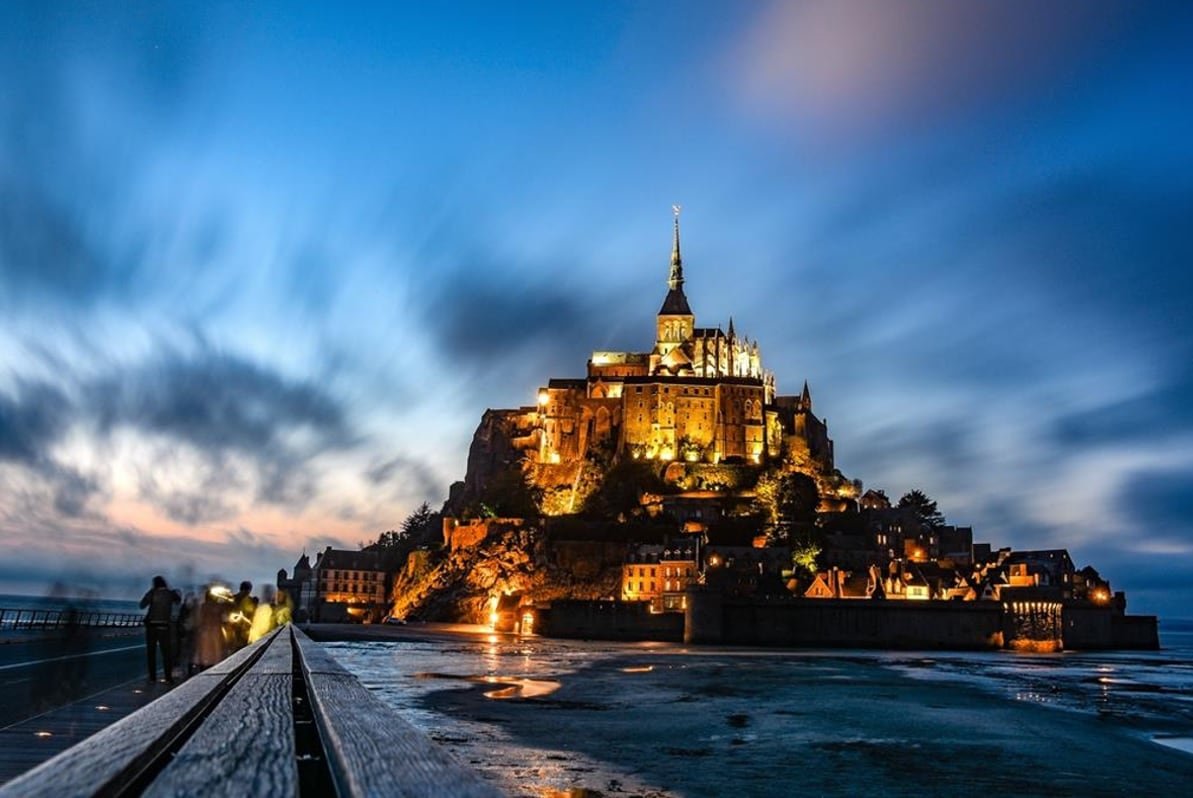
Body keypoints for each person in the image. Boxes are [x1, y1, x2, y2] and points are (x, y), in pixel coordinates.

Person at [140, 575, 181, 684]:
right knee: (166, 653)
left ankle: (152, 677)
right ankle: (168, 677)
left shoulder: (152, 593)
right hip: (165, 626)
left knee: (151, 653)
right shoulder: (170, 593)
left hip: (152, 626)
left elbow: (142, 605)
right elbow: (178, 600)